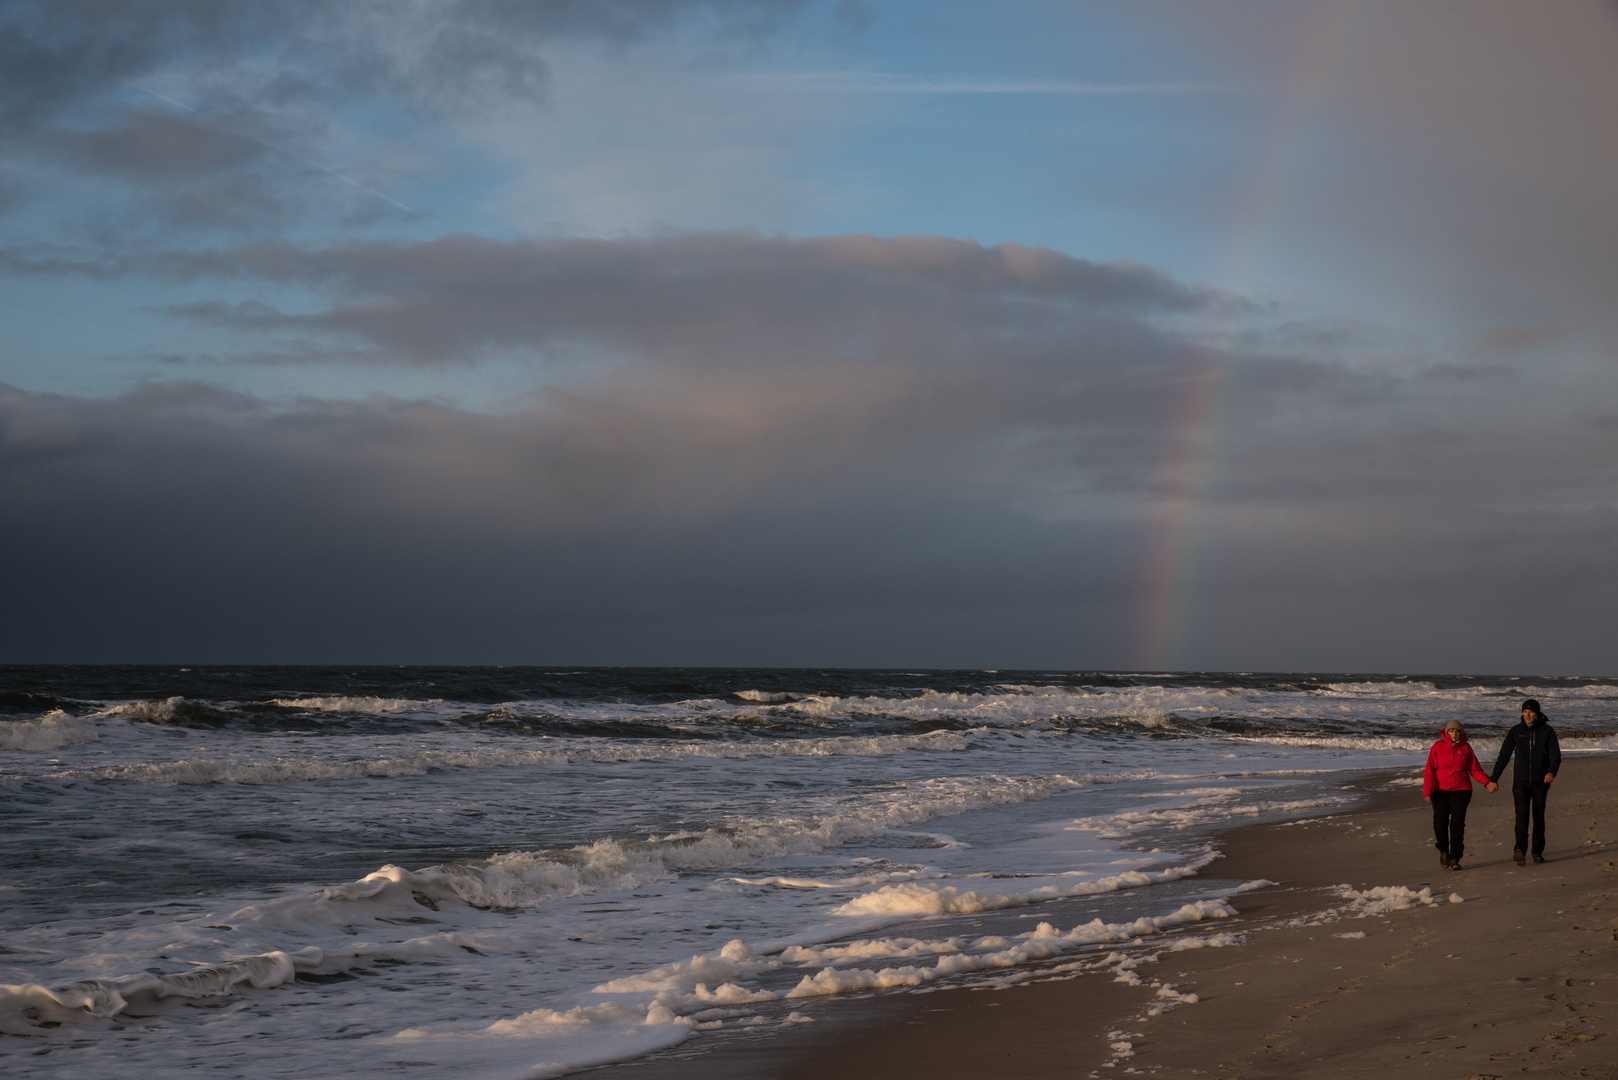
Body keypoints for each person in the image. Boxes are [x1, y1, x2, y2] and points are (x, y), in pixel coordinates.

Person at [1489, 699, 1561, 865]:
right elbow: (1504, 756)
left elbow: (1555, 755)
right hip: (1520, 781)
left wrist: (1551, 772)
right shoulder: (1516, 731)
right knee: (1521, 816)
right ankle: (1519, 850)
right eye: (1525, 712)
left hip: (1540, 781)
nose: (1527, 715)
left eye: (1531, 712)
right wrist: (1494, 779)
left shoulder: (1547, 731)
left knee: (1538, 816)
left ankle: (1537, 852)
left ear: (1537, 713)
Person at [1423, 720, 1496, 870]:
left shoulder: (1466, 748)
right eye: (1452, 731)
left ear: (1461, 733)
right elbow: (1430, 770)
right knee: (1439, 821)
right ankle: (1443, 850)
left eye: (1457, 731)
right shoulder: (1437, 747)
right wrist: (1428, 790)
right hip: (1440, 790)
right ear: (1446, 732)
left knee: (1457, 824)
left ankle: (1455, 858)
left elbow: (1475, 770)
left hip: (1461, 790)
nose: (1454, 734)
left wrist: (1487, 782)